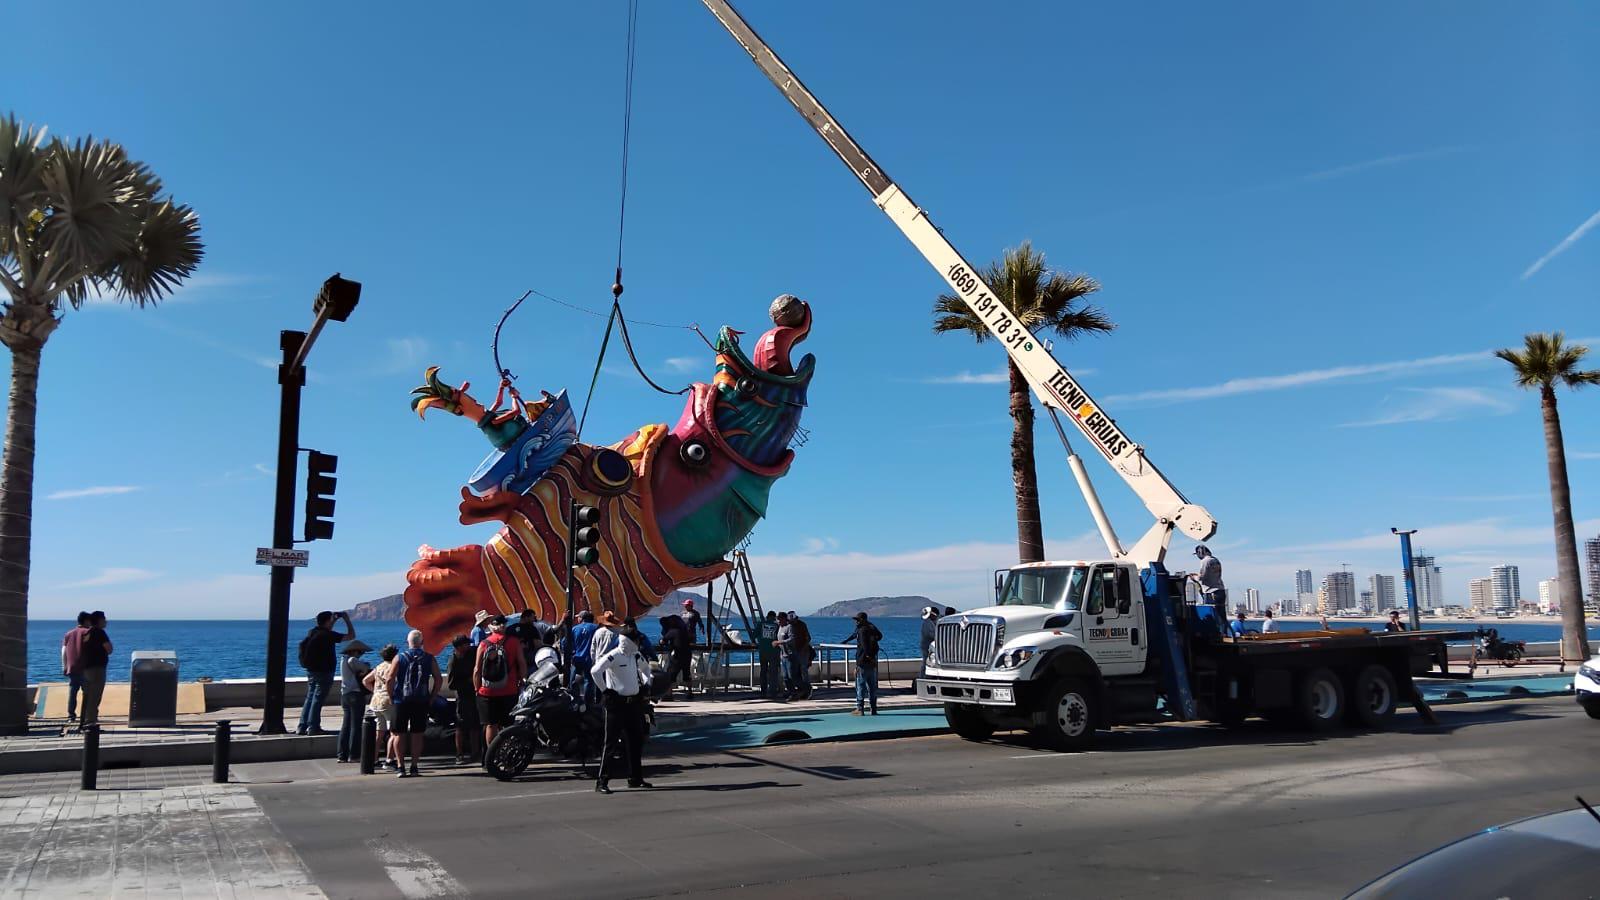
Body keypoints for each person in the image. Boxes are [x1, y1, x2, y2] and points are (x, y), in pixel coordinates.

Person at [591, 624, 653, 794]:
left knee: (635, 742)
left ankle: (635, 778)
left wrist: (647, 684)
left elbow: (646, 669)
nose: (638, 642)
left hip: (633, 704)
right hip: (616, 705)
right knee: (610, 744)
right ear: (628, 641)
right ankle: (602, 782)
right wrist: (606, 690)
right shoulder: (614, 656)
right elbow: (595, 671)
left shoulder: (635, 655)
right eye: (636, 639)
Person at [390, 630, 441, 778]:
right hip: (420, 700)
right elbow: (438, 678)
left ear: (408, 643)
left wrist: (391, 696)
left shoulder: (399, 658)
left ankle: (400, 766)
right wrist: (432, 697)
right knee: (417, 734)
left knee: (399, 734)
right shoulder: (429, 658)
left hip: (401, 700)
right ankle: (414, 766)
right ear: (422, 643)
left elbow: (390, 678)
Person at [297, 610, 355, 735]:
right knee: (318, 699)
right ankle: (313, 727)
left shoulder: (313, 632)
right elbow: (351, 636)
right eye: (331, 620)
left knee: (310, 697)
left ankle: (302, 726)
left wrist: (332, 620)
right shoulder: (328, 635)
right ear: (328, 621)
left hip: (311, 670)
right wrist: (346, 620)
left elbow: (327, 629)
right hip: (324, 671)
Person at [474, 614, 527, 749]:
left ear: (492, 627)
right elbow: (521, 663)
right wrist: (522, 680)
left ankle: (492, 756)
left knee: (491, 724)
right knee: (508, 725)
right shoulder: (514, 642)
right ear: (505, 626)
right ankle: (506, 755)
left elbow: (477, 669)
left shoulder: (484, 643)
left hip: (487, 690)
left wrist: (477, 688)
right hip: (509, 689)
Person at [363, 644, 400, 770]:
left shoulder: (378, 667)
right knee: (393, 731)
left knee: (379, 731)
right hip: (388, 701)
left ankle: (373, 758)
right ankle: (390, 759)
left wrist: (375, 691)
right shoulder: (393, 667)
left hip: (376, 701)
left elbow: (366, 680)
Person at [336, 640, 373, 763]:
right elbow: (365, 668)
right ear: (355, 651)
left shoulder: (343, 661)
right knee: (356, 726)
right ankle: (354, 754)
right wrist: (365, 667)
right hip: (355, 695)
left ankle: (342, 754)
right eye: (360, 652)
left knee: (346, 725)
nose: (361, 654)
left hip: (345, 695)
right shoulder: (351, 660)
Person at [446, 634, 480, 765]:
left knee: (475, 725)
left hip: (474, 695)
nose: (468, 646)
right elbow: (451, 684)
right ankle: (459, 754)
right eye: (466, 644)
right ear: (459, 647)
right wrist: (468, 681)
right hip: (463, 697)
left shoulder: (472, 653)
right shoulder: (453, 661)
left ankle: (475, 752)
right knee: (461, 725)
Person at [75, 611, 113, 731]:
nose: (106, 621)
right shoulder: (100, 632)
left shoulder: (87, 633)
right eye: (104, 619)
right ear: (99, 620)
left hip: (87, 669)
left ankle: (84, 721)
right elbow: (109, 649)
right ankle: (90, 723)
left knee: (88, 695)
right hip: (97, 669)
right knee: (95, 696)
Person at [841, 612, 884, 715]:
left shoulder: (862, 630)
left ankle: (860, 709)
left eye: (857, 620)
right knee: (872, 687)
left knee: (860, 686)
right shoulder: (871, 627)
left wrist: (867, 655)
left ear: (862, 620)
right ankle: (873, 708)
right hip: (872, 661)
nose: (856, 622)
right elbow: (880, 636)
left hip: (863, 661)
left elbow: (864, 645)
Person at [60, 612, 91, 724]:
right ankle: (87, 717)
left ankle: (71, 716)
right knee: (88, 693)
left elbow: (63, 651)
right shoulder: (88, 633)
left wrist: (64, 666)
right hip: (86, 668)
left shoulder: (68, 634)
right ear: (86, 621)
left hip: (72, 667)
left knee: (73, 692)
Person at [658, 615, 693, 700]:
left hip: (677, 655)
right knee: (686, 674)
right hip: (687, 654)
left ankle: (669, 694)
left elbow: (663, 641)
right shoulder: (683, 631)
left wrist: (661, 641)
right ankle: (690, 692)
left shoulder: (672, 631)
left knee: (671, 674)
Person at [1188, 545, 1226, 614]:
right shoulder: (1215, 560)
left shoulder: (1205, 561)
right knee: (1220, 615)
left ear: (1200, 552)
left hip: (1211, 592)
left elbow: (1202, 577)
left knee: (1211, 615)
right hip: (1220, 591)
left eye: (1197, 554)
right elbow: (1211, 575)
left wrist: (1194, 577)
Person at [569, 610, 598, 696]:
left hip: (577, 658)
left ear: (582, 618)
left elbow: (565, 643)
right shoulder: (596, 628)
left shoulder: (574, 629)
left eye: (578, 617)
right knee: (588, 680)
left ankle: (572, 698)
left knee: (573, 680)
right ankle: (587, 702)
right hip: (590, 659)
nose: (577, 619)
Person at [788, 611, 814, 699]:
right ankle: (800, 690)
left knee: (803, 671)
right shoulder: (789, 625)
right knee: (795, 672)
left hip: (803, 652)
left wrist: (803, 649)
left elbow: (808, 638)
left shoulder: (802, 625)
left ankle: (807, 690)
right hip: (793, 652)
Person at [756, 611, 780, 699]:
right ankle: (773, 692)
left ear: (767, 616)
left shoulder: (760, 624)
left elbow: (754, 635)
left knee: (763, 671)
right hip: (774, 652)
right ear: (774, 617)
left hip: (763, 652)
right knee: (773, 672)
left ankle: (763, 691)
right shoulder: (777, 626)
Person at [774, 612, 797, 700]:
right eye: (777, 619)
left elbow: (792, 639)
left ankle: (795, 692)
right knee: (785, 676)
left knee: (791, 676)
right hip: (783, 655)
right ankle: (789, 691)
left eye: (779, 619)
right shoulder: (780, 628)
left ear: (784, 619)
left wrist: (779, 642)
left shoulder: (789, 627)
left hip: (790, 655)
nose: (778, 621)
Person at [919, 606, 940, 678]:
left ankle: (924, 676)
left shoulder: (930, 622)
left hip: (928, 646)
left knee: (927, 662)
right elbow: (931, 634)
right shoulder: (928, 623)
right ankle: (923, 677)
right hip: (927, 646)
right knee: (926, 662)